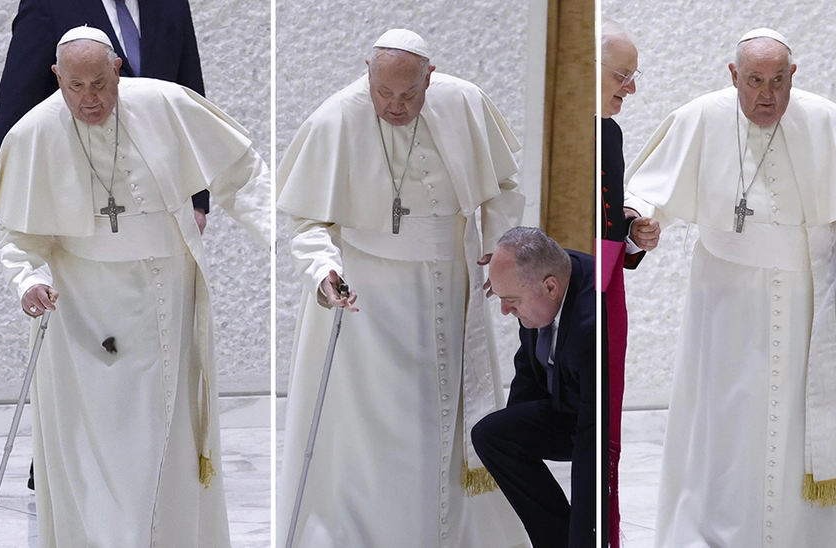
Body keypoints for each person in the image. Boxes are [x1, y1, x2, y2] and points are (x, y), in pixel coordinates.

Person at [0, 26, 269, 546]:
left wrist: (280, 241)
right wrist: (29, 281)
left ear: (117, 68)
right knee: (99, 449)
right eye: (75, 87)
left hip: (166, 296)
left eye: (99, 83)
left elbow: (243, 174)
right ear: (57, 78)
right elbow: (19, 236)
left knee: (164, 440)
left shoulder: (165, 104)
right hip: (80, 309)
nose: (89, 99)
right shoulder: (32, 134)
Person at [624, 28, 836, 547]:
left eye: (778, 81)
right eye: (755, 81)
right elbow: (644, 192)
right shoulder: (700, 117)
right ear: (733, 76)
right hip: (728, 303)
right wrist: (638, 223)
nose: (767, 94)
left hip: (816, 297)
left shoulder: (830, 120)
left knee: (807, 424)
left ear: (794, 76)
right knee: (730, 426)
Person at [275, 28, 530, 547]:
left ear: (429, 79)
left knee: (444, 421)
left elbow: (503, 184)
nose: (393, 106)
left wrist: (500, 240)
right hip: (369, 295)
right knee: (378, 431)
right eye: (382, 93)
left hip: (451, 281)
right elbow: (307, 223)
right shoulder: (335, 118)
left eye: (408, 95)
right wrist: (324, 270)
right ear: (366, 73)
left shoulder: (464, 103)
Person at [0, 0, 209, 234]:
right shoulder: (47, 5)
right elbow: (17, 103)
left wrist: (198, 199)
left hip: (165, 197)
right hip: (84, 198)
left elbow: (190, 96)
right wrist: (13, 209)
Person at [471, 226, 595, 548]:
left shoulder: (589, 326)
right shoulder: (542, 283)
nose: (504, 310)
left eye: (510, 300)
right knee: (493, 434)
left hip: (594, 421)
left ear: (550, 287)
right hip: (563, 404)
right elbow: (528, 366)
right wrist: (517, 442)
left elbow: (590, 446)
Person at [598, 19, 656, 548]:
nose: (630, 88)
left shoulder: (609, 131)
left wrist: (634, 229)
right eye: (622, 75)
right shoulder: (559, 132)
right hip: (563, 292)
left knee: (605, 425)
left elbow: (607, 217)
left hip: (606, 286)